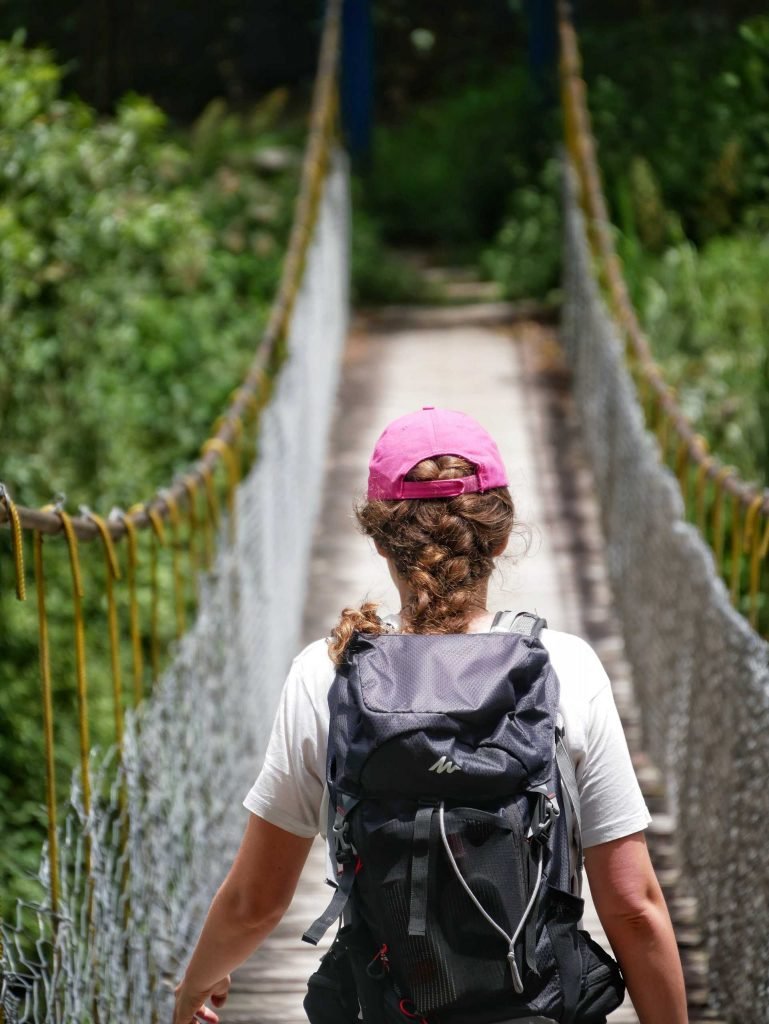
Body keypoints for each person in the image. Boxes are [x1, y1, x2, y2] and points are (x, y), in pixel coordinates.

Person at [173, 407, 688, 1024]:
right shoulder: (565, 668)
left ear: (379, 538)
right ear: (499, 537)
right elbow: (633, 906)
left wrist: (193, 987)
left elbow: (256, 903)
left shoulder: (327, 674)